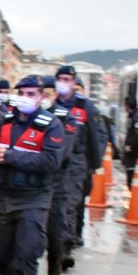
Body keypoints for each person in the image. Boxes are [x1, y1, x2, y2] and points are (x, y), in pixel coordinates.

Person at [0, 75, 64, 275]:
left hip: (34, 197)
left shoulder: (51, 125)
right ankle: (11, 271)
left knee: (26, 253)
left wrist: (9, 156)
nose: (25, 98)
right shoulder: (4, 121)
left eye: (31, 94)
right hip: (3, 194)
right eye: (22, 93)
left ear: (41, 97)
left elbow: (50, 162)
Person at [54, 66, 106, 257]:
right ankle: (56, 243)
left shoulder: (85, 107)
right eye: (60, 79)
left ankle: (65, 248)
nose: (63, 83)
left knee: (69, 204)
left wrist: (94, 165)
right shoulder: (51, 106)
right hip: (55, 163)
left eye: (67, 79)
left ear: (74, 82)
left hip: (76, 163)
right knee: (55, 205)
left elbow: (97, 137)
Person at [41, 76, 77, 275]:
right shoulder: (27, 116)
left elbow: (63, 151)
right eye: (41, 94)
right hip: (33, 182)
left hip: (57, 181)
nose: (44, 98)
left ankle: (55, 258)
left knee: (55, 228)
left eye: (47, 94)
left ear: (55, 95)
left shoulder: (66, 118)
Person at [121, 96, 138, 188]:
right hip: (134, 153)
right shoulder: (135, 116)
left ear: (127, 106)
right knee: (133, 180)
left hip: (135, 154)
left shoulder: (137, 117)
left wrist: (130, 146)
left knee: (133, 180)